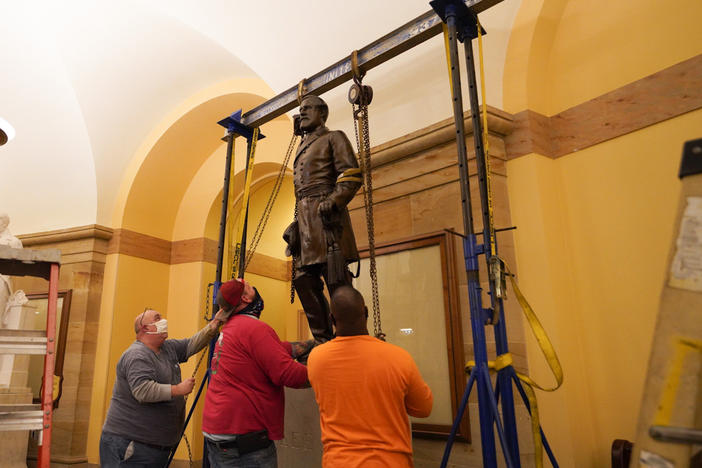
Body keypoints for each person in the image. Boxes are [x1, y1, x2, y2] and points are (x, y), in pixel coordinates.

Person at [308, 286, 434, 468]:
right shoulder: (398, 357)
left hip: (338, 463)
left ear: (331, 319)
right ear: (366, 312)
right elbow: (423, 409)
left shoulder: (316, 359)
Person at [202, 278, 312, 467]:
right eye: (249, 287)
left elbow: (273, 349)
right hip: (244, 444)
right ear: (245, 298)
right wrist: (329, 368)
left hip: (221, 435)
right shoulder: (254, 328)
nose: (253, 287)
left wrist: (310, 345)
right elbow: (289, 375)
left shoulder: (233, 327)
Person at [100, 306, 227, 467]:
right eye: (157, 319)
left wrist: (215, 324)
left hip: (155, 446)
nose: (163, 321)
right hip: (131, 444)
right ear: (145, 328)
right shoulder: (137, 355)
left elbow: (191, 345)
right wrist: (178, 390)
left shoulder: (168, 348)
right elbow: (143, 390)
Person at [283, 94, 363, 343]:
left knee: (336, 278)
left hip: (326, 217)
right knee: (303, 279)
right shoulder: (302, 144)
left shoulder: (333, 137)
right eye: (301, 109)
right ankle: (322, 339)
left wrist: (335, 199)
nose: (302, 112)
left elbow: (351, 173)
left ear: (322, 113)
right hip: (307, 220)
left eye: (308, 109)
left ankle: (349, 335)